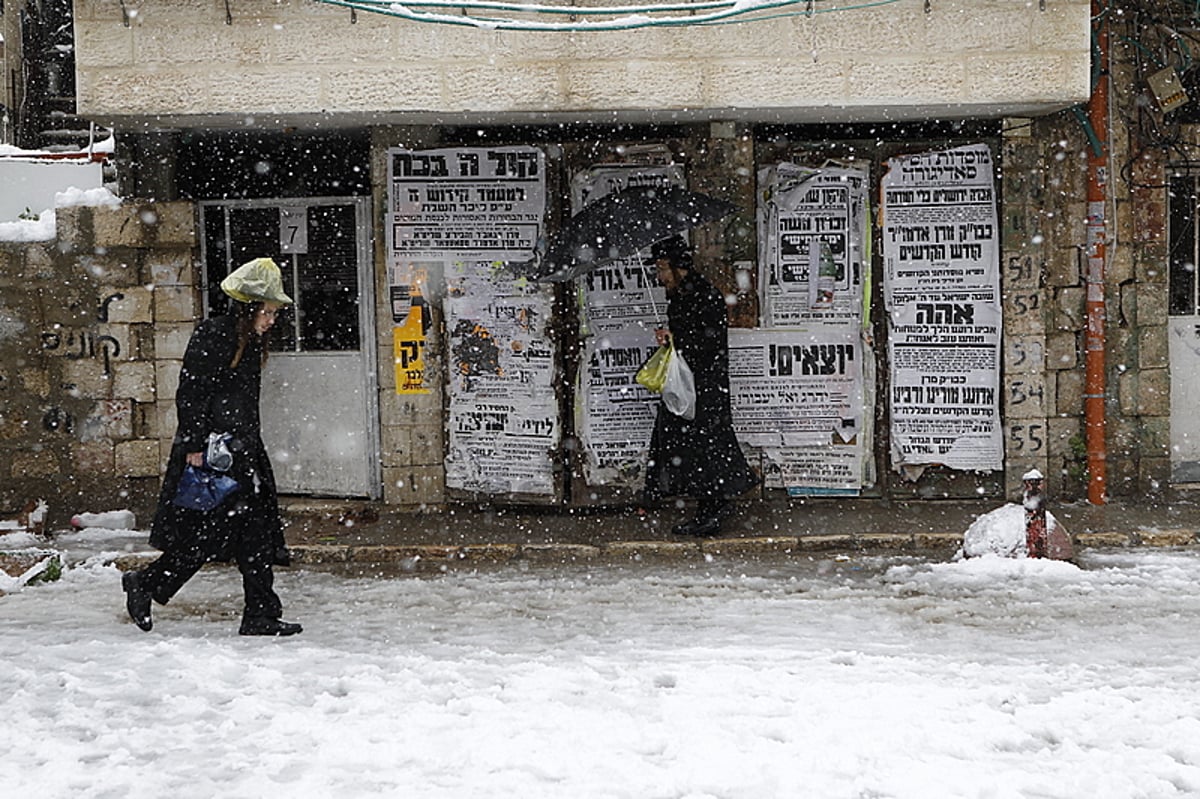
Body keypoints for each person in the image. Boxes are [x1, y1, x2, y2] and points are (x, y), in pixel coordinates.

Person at [122, 257, 302, 636]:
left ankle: (260, 614)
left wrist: (246, 447)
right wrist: (195, 444)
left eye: (275, 313)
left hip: (241, 450)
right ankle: (148, 583)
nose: (272, 320)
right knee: (209, 533)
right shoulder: (214, 335)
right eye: (267, 311)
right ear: (249, 308)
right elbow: (191, 392)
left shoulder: (248, 341)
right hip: (214, 454)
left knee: (255, 535)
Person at [642, 235, 759, 537]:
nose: (660, 276)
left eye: (662, 269)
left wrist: (677, 338)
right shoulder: (683, 295)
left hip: (704, 383)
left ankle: (716, 506)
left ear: (678, 267)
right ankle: (711, 503)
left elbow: (707, 340)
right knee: (698, 445)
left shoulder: (701, 294)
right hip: (693, 383)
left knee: (708, 445)